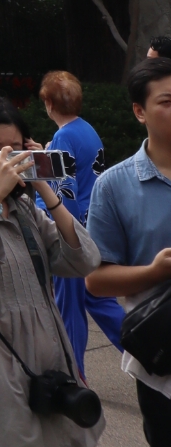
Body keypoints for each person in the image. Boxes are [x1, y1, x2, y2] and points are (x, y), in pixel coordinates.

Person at [0, 93, 103, 446]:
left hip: (52, 357)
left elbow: (84, 259)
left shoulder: (26, 211)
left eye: (14, 149)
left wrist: (42, 182)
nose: (6, 160)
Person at [87, 56, 171, 445]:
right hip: (162, 358)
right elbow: (96, 280)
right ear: (140, 111)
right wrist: (154, 272)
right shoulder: (114, 186)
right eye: (168, 102)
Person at [39, 69, 124, 377]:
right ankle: (146, 348)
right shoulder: (86, 130)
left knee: (69, 306)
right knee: (98, 299)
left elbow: (64, 191)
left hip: (73, 230)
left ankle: (74, 373)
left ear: (49, 103)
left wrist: (58, 227)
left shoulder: (63, 136)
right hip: (94, 223)